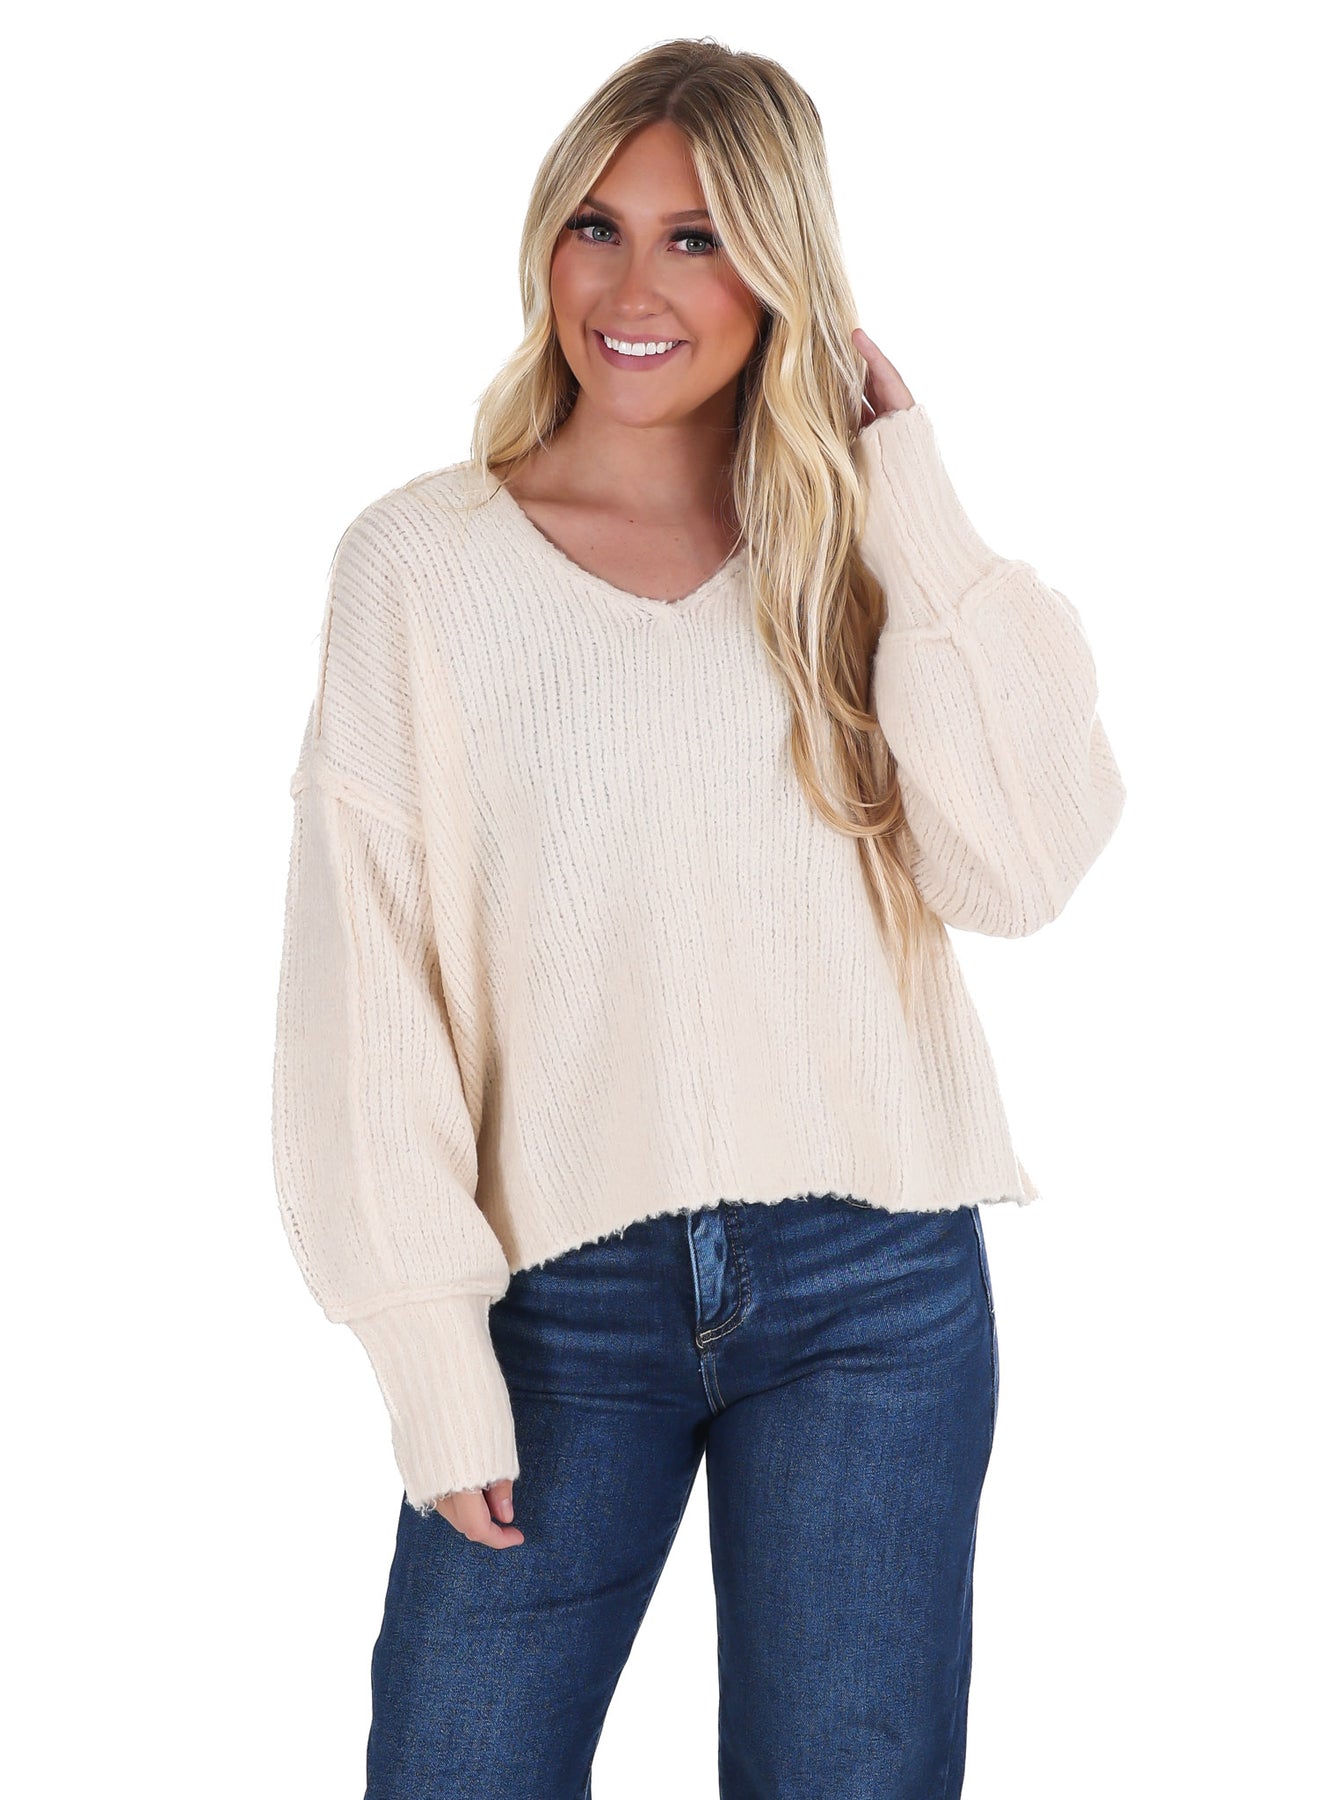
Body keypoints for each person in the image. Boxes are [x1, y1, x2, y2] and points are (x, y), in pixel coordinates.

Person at [270, 35, 1126, 1800]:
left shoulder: (857, 553)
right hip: (552, 1299)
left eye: (700, 237)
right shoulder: (418, 567)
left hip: (874, 1286)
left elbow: (1020, 870)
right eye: (597, 226)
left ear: (783, 270)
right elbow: (366, 990)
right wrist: (427, 1351)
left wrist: (907, 492)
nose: (632, 287)